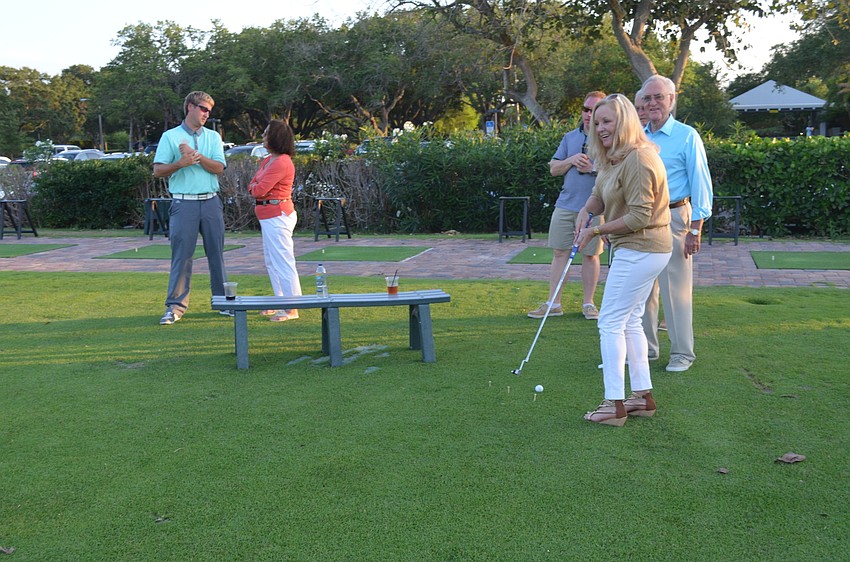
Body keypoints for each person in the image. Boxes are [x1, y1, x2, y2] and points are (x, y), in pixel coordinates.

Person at [575, 93, 672, 426]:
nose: (600, 128)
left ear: (625, 121)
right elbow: (601, 196)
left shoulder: (640, 158)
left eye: (607, 121)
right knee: (629, 320)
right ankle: (641, 398)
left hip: (643, 248)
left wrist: (595, 232)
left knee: (610, 322)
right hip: (636, 250)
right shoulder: (615, 158)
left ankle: (613, 404)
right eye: (597, 122)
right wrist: (586, 212)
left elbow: (639, 216)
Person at [639, 75, 713, 372]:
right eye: (648, 98)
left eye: (659, 97)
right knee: (642, 285)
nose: (653, 103)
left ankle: (683, 353)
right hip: (642, 219)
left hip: (675, 218)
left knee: (676, 289)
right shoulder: (639, 136)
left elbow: (701, 185)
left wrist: (696, 229)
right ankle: (646, 349)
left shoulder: (687, 135)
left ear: (672, 100)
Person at [527, 90, 606, 321]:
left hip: (595, 208)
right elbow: (553, 168)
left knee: (591, 255)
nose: (589, 114)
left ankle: (588, 304)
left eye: (595, 110)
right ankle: (554, 304)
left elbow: (617, 172)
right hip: (565, 205)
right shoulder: (570, 138)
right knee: (560, 252)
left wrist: (592, 168)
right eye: (586, 109)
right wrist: (571, 161)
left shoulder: (609, 138)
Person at [154, 91, 229, 325]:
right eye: (203, 108)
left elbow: (218, 167)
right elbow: (157, 170)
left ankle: (223, 303)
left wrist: (196, 156)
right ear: (189, 107)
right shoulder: (170, 136)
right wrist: (179, 163)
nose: (207, 114)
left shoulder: (213, 137)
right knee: (182, 257)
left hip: (210, 202)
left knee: (216, 255)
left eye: (209, 110)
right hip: (183, 203)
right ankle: (175, 307)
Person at [247, 119, 303, 322]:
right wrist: (255, 187)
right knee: (272, 261)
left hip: (278, 215)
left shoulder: (281, 162)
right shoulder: (269, 159)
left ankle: (292, 307)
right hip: (267, 216)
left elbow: (258, 189)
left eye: (266, 133)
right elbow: (253, 184)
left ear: (275, 137)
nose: (262, 136)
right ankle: (280, 301)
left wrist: (255, 187)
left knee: (283, 261)